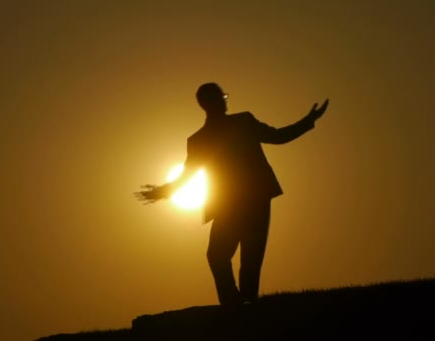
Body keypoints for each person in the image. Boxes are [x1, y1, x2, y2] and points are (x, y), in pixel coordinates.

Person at [136, 83, 329, 305]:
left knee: (248, 257)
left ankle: (240, 305)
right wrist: (161, 192)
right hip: (237, 202)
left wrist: (307, 121)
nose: (225, 100)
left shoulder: (238, 124)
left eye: (224, 96)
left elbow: (278, 136)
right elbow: (188, 176)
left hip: (252, 198)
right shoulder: (204, 138)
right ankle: (235, 304)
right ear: (208, 104)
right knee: (223, 256)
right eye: (221, 97)